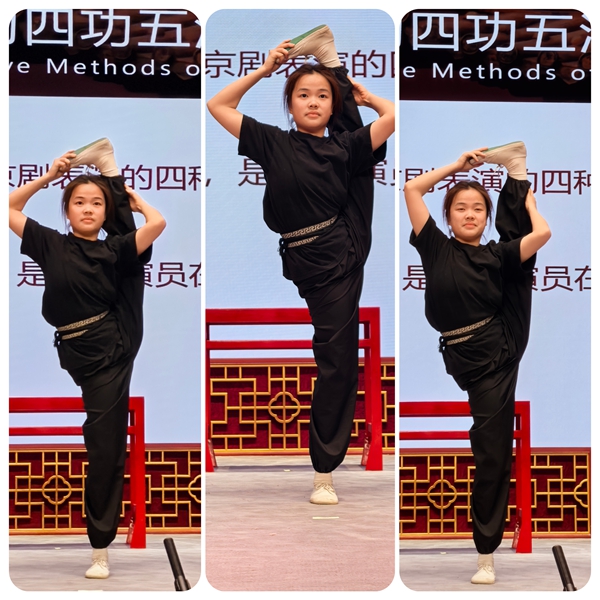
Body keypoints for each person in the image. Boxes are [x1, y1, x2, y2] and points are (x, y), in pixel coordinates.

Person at [207, 25, 394, 504]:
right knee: (358, 152)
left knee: (336, 356)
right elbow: (219, 105)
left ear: (333, 106)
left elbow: (393, 118)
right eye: (303, 95)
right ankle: (328, 57)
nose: (313, 102)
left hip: (344, 244)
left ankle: (324, 471)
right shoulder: (273, 142)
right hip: (302, 253)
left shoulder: (345, 145)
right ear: (290, 105)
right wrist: (266, 70)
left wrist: (366, 98)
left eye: (323, 96)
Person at [9, 139, 166, 579]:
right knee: (129, 258)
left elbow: (157, 223)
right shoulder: (51, 244)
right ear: (67, 210)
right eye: (79, 202)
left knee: (104, 443)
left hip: (114, 343)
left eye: (97, 203)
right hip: (76, 347)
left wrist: (134, 202)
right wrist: (48, 177)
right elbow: (10, 208)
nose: (88, 209)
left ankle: (100, 547)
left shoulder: (114, 249)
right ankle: (107, 163)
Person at [403, 141, 551, 584]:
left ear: (486, 217)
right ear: (448, 217)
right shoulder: (435, 247)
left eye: (478, 209)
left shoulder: (495, 254)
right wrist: (457, 166)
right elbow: (412, 189)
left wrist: (530, 205)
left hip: (500, 346)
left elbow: (541, 235)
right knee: (514, 254)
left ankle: (486, 552)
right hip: (462, 352)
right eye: (461, 208)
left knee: (491, 448)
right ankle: (515, 170)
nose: (470, 215)